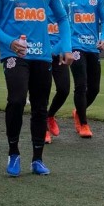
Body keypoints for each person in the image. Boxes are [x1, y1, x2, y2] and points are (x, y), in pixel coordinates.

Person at [0, 0, 73, 177]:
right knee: (15, 100)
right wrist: (9, 42)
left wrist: (65, 47)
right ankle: (13, 153)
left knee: (40, 106)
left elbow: (63, 19)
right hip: (14, 54)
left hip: (42, 56)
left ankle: (37, 158)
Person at [58, 0, 104, 139]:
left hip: (93, 47)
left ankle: (78, 112)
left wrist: (103, 38)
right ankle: (84, 124)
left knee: (94, 88)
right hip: (75, 45)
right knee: (81, 85)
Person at [43, 7, 70, 145]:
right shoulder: (35, 2)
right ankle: (43, 130)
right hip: (40, 54)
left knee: (64, 89)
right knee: (43, 92)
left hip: (57, 55)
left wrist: (59, 49)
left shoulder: (62, 2)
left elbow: (66, 27)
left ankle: (50, 115)